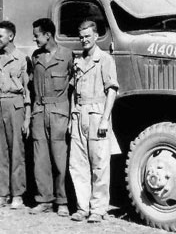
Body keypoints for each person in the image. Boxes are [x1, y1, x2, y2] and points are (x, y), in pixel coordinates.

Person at [69, 20, 118, 223]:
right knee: (78, 164)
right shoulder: (78, 61)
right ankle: (82, 207)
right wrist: (73, 115)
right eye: (81, 37)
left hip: (97, 114)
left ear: (96, 36)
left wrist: (105, 119)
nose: (84, 40)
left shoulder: (105, 59)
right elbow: (74, 91)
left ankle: (98, 208)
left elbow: (112, 90)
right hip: (79, 113)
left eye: (88, 36)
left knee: (99, 164)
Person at [29, 18, 73, 217]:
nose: (34, 38)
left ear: (48, 35)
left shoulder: (67, 55)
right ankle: (44, 199)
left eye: (36, 35)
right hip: (39, 112)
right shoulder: (35, 56)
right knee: (40, 160)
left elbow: (73, 86)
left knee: (59, 159)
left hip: (58, 112)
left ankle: (62, 201)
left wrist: (70, 115)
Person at [0, 20, 31, 210]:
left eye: (0, 35)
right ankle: (1, 194)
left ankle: (17, 195)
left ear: (10, 36)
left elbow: (28, 90)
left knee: (17, 151)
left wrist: (27, 117)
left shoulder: (22, 59)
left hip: (16, 105)